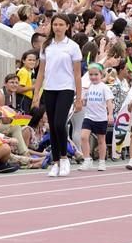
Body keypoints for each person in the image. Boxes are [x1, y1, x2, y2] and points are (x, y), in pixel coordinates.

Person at [32, 13, 83, 177]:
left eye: (61, 25)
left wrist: (79, 97)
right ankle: (55, 162)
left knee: (60, 124)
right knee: (52, 126)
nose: (58, 27)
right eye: (55, 25)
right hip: (50, 88)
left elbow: (77, 74)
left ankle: (64, 157)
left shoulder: (73, 46)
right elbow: (41, 72)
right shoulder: (47, 45)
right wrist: (36, 95)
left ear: (67, 26)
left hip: (66, 89)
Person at [78, 63, 113, 172]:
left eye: (96, 74)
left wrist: (110, 114)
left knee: (101, 140)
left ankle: (102, 162)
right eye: (91, 74)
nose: (93, 77)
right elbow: (84, 103)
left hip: (101, 118)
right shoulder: (88, 87)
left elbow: (109, 102)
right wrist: (81, 99)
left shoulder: (104, 88)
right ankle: (87, 159)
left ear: (101, 75)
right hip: (89, 117)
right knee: (83, 137)